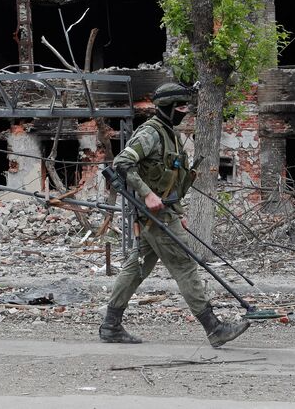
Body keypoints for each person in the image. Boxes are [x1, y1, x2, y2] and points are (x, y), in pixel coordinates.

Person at [99, 82, 249, 347]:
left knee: (136, 267)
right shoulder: (151, 133)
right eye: (180, 107)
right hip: (154, 215)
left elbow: (172, 181)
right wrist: (146, 194)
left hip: (164, 213)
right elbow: (122, 162)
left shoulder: (170, 135)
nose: (185, 111)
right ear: (167, 108)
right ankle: (214, 328)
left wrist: (178, 211)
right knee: (185, 265)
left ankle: (110, 325)